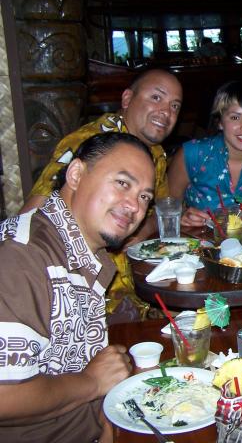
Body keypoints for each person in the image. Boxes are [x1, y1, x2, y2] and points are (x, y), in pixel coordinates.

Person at [0, 132, 155, 442]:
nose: (133, 206)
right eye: (122, 183)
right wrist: (92, 382)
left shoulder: (77, 248)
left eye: (144, 197)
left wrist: (105, 418)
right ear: (75, 174)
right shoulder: (22, 257)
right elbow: (5, 396)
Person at [20, 69, 183, 322]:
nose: (166, 111)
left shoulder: (156, 154)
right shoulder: (90, 144)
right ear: (127, 99)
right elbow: (30, 220)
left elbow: (159, 211)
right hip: (83, 300)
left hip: (136, 288)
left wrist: (137, 231)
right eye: (156, 97)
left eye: (174, 106)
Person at [168, 80, 242, 225]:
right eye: (235, 117)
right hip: (198, 238)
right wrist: (182, 215)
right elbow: (166, 210)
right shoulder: (191, 154)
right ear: (220, 122)